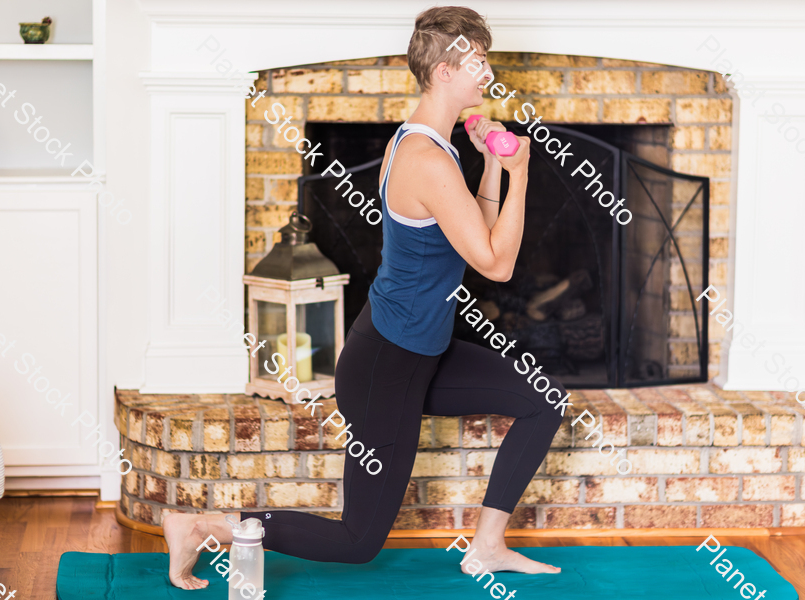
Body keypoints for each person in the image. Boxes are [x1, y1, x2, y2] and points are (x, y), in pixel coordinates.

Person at [164, 6, 566, 590]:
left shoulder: (430, 144)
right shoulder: (427, 159)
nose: (489, 72)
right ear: (446, 71)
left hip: (417, 351)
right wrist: (523, 171)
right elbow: (496, 264)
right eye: (479, 60)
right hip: (387, 365)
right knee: (358, 542)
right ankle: (206, 525)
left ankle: (487, 546)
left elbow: (471, 232)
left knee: (542, 399)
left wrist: (493, 169)